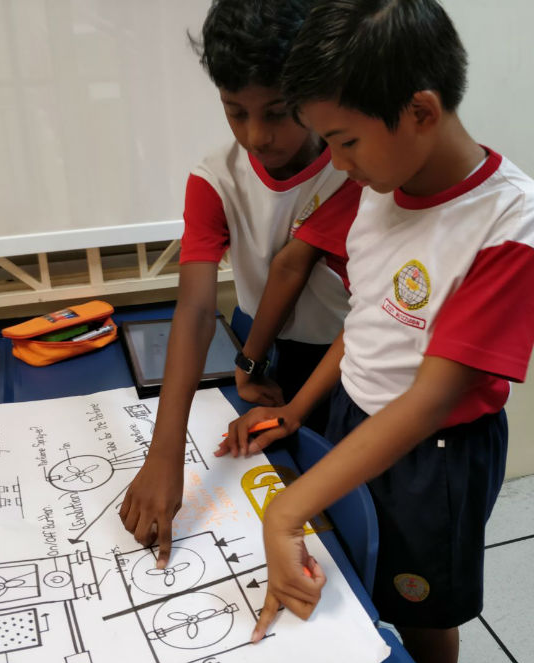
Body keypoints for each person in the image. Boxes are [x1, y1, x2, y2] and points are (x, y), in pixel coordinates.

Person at [218, 1, 534, 663]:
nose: (338, 163)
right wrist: (298, 408)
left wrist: (286, 512)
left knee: (423, 610)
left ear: (421, 112)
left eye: (345, 141)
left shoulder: (512, 218)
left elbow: (431, 399)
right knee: (358, 576)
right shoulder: (376, 185)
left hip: (435, 455)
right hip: (353, 417)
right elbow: (368, 318)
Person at [119, 0, 358, 567]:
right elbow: (196, 311)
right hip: (262, 337)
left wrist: (254, 364)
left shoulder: (354, 166)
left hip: (345, 354)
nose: (256, 135)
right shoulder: (215, 178)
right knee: (273, 479)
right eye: (235, 112)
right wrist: (165, 454)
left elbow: (295, 270)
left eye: (277, 112)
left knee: (339, 517)